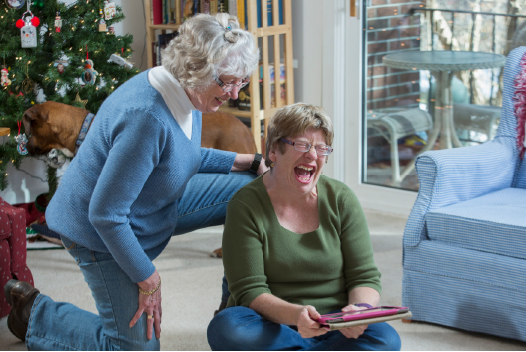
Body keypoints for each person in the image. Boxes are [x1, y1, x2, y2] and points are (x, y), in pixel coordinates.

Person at [4, 13, 265, 351]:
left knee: (250, 191)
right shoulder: (148, 116)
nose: (233, 93)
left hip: (144, 202)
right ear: (195, 68)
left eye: (241, 82)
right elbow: (106, 214)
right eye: (226, 82)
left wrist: (247, 161)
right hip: (95, 229)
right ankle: (36, 314)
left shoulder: (186, 91)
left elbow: (177, 156)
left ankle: (234, 309)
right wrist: (148, 278)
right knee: (136, 348)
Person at [207, 103, 402, 351]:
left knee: (386, 338)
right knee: (227, 329)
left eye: (321, 148)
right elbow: (249, 291)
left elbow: (364, 277)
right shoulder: (245, 205)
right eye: (301, 145)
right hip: (273, 325)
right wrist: (297, 316)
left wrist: (359, 313)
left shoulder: (341, 199)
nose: (312, 155)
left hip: (336, 325)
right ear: (273, 151)